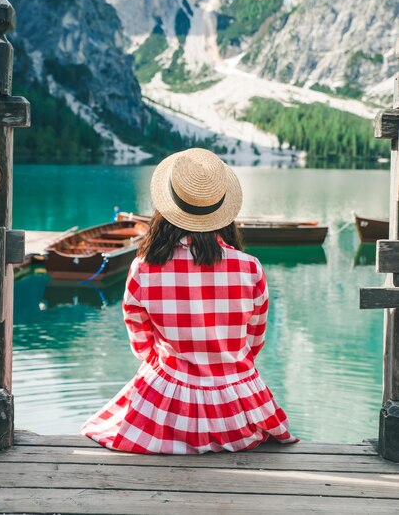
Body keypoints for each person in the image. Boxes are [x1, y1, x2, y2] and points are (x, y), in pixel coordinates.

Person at [80, 148, 298, 453]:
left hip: (169, 403)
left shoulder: (143, 268)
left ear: (168, 210)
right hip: (235, 409)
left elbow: (142, 346)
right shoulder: (250, 267)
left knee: (117, 419)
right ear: (222, 211)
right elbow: (253, 344)